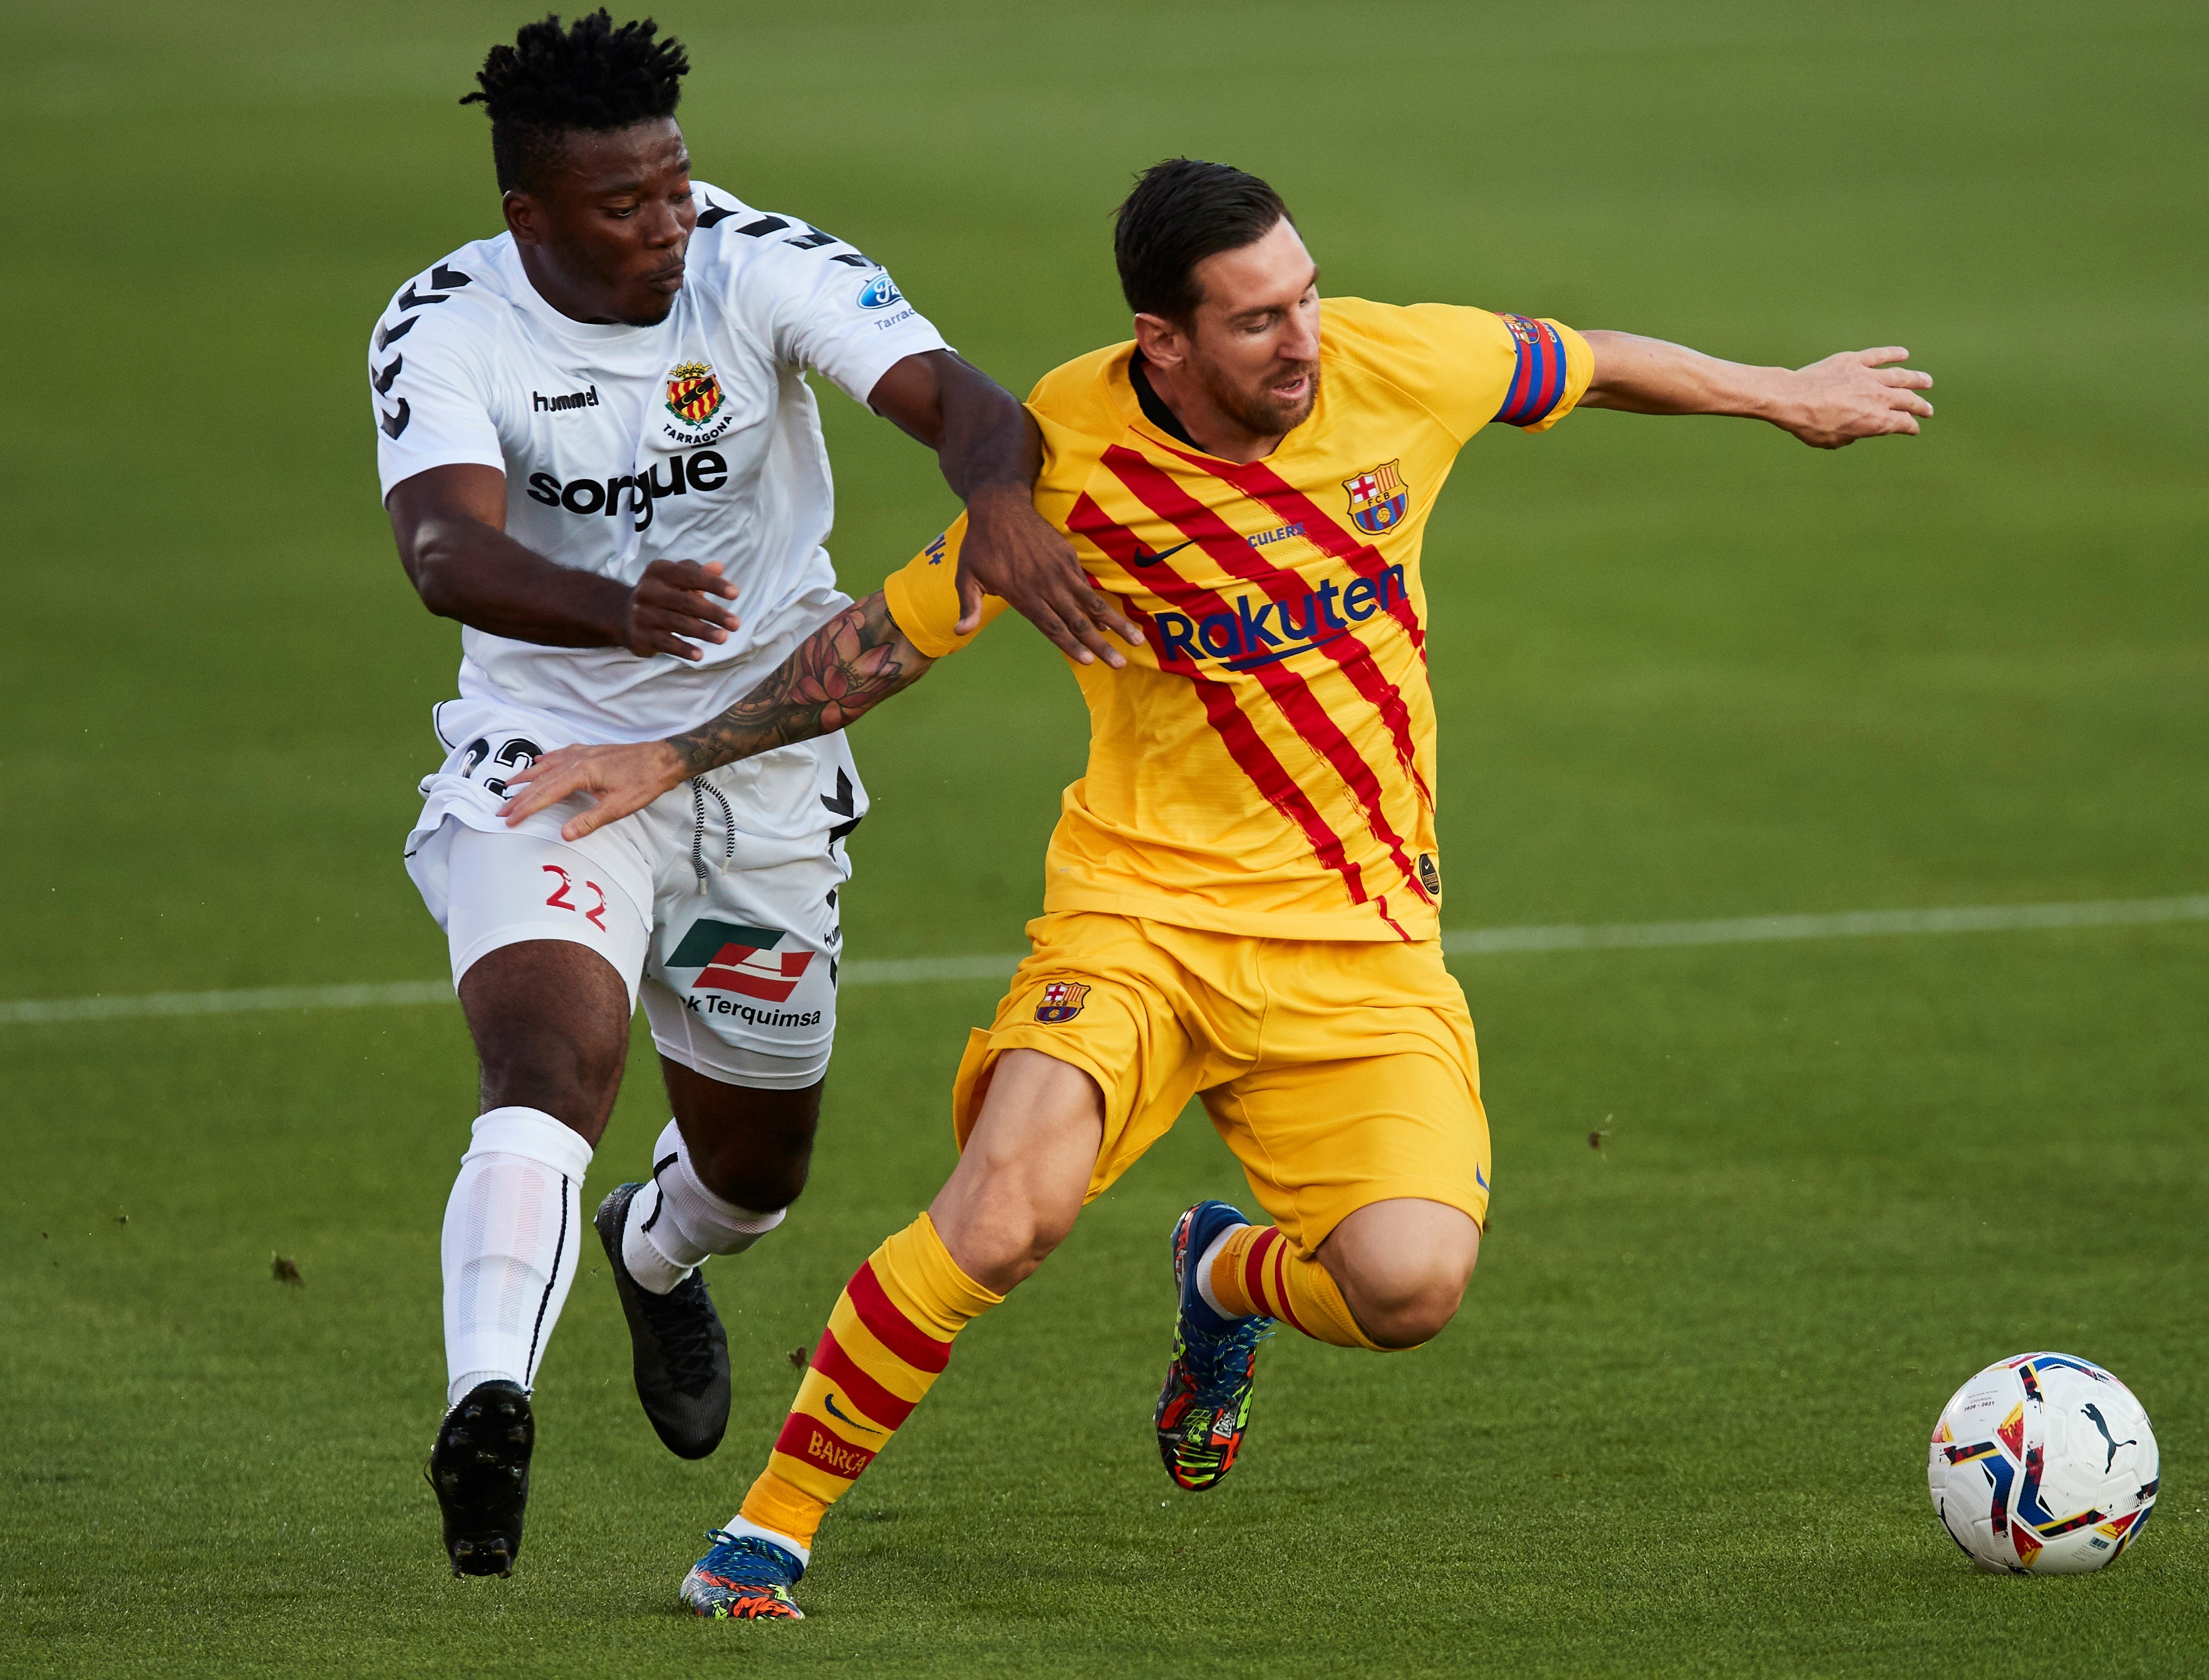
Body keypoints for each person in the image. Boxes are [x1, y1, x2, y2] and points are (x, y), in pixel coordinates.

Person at [499, 157, 1934, 1619]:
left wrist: (1783, 393)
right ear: (1162, 340)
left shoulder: (1397, 364)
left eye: (1303, 297)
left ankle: (1224, 1278)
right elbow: (890, 638)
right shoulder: (1065, 450)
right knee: (1002, 1215)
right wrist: (669, 754)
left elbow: (1594, 359)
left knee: (1410, 1288)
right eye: (1256, 320)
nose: (1301, 340)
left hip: (1361, 944)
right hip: (1138, 925)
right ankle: (767, 1529)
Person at [371, 10, 1133, 1580]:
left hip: (766, 758)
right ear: (530, 214)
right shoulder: (445, 322)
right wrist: (616, 609)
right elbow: (443, 550)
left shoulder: (756, 259)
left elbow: (967, 402)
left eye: (675, 184)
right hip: (552, 758)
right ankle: (487, 1401)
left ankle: (654, 1254)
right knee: (546, 1067)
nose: (668, 222)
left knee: (756, 1172)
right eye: (624, 204)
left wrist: (996, 500)